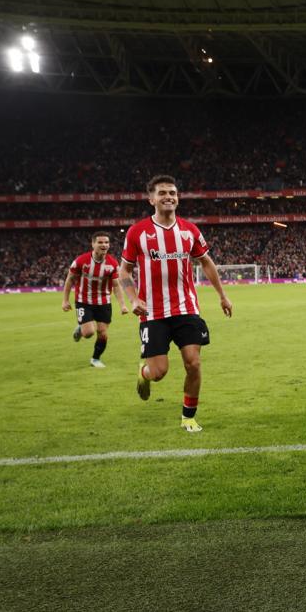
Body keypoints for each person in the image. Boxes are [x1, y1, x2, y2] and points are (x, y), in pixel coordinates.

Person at [118, 175, 233, 432]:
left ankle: (188, 416)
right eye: (162, 193)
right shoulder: (138, 232)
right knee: (159, 372)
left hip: (186, 308)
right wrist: (134, 298)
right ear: (151, 199)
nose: (169, 196)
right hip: (152, 312)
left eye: (173, 192)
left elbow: (206, 262)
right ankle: (144, 373)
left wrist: (222, 295)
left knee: (193, 362)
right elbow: (123, 270)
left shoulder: (189, 230)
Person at [62, 231, 128, 367]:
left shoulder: (112, 263)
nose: (104, 245)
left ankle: (95, 359)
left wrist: (123, 305)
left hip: (103, 302)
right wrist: (65, 300)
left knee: (103, 333)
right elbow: (69, 280)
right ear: (93, 244)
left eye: (106, 242)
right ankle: (81, 329)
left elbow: (116, 285)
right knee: (89, 333)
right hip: (83, 301)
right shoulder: (81, 261)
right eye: (100, 242)